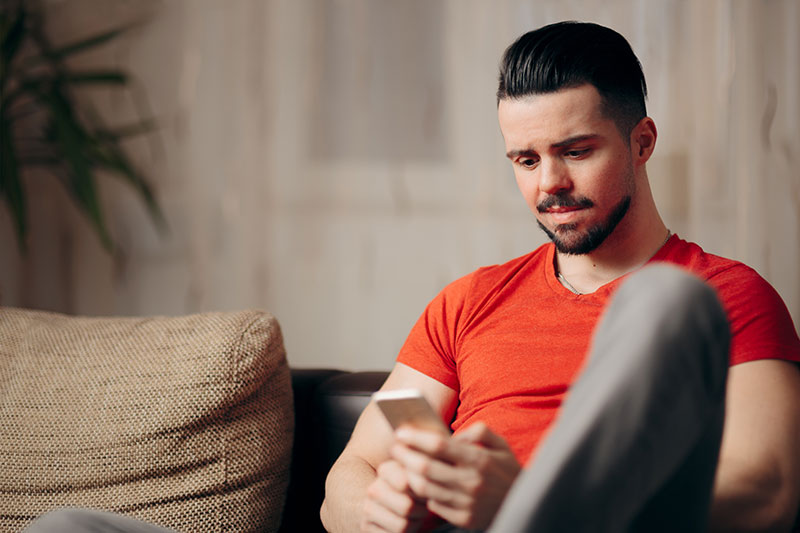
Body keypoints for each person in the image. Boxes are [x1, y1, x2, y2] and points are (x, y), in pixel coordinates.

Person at [319, 21, 800, 533]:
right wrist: (379, 508)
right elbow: (347, 479)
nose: (549, 183)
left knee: (670, 302)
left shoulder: (730, 295)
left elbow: (766, 494)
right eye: (526, 160)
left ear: (642, 143)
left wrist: (523, 502)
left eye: (576, 151)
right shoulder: (466, 303)